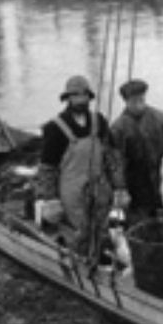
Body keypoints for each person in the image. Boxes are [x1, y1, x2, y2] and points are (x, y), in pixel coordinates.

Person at [36, 75, 129, 256]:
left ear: (89, 97)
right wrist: (51, 200)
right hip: (72, 192)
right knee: (79, 232)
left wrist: (120, 187)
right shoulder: (54, 128)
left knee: (102, 228)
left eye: (83, 95)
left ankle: (102, 259)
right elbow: (48, 168)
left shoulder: (99, 121)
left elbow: (112, 157)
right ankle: (80, 263)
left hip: (100, 187)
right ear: (68, 99)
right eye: (75, 96)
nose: (80, 100)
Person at [110, 79, 163, 227]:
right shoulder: (118, 128)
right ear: (126, 101)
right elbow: (115, 161)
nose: (138, 104)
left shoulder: (160, 117)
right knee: (143, 223)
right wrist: (120, 187)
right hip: (137, 185)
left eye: (141, 99)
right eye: (133, 101)